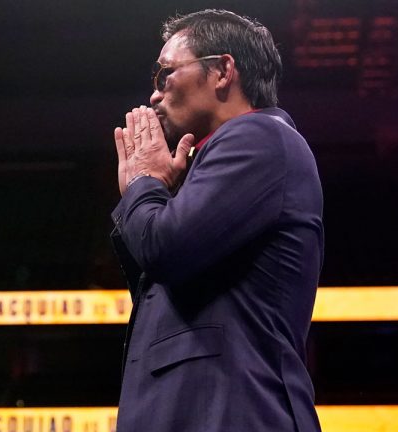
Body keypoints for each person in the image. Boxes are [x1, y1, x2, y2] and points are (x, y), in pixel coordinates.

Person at [111, 9, 324, 432]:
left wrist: (144, 183)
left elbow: (164, 249)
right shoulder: (214, 160)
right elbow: (163, 286)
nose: (155, 95)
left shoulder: (258, 137)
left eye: (165, 74)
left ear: (223, 71)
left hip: (233, 412)